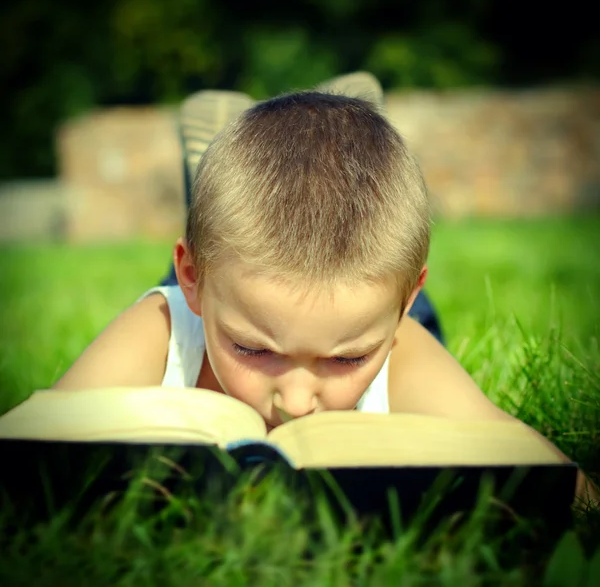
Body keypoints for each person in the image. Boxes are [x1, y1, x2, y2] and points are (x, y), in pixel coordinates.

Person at [52, 74, 597, 506]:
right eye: (253, 350)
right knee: (223, 260)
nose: (296, 401)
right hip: (221, 291)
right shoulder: (164, 328)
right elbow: (37, 440)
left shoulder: (402, 348)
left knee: (347, 294)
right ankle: (216, 174)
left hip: (345, 299)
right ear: (190, 279)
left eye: (345, 360)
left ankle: (356, 127)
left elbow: (547, 476)